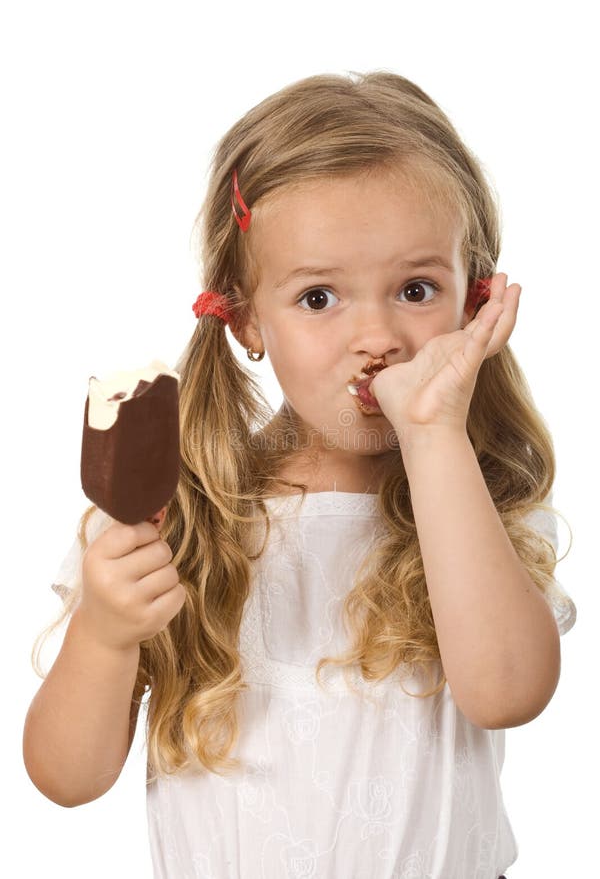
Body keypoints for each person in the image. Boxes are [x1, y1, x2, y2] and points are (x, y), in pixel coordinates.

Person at [24, 71, 577, 878]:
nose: (378, 335)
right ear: (245, 315)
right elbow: (65, 779)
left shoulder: (470, 498)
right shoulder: (185, 513)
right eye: (319, 298)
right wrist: (106, 636)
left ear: (474, 298)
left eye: (416, 289)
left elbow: (509, 693)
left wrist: (432, 437)